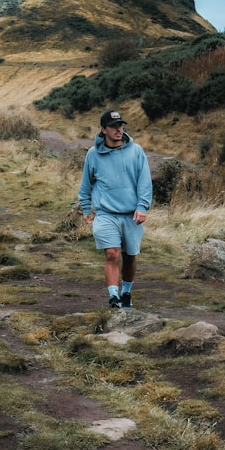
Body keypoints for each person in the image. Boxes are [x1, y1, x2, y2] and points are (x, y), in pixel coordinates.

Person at [78, 108, 153, 309]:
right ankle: (113, 297)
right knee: (112, 254)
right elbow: (86, 184)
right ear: (104, 130)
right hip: (105, 214)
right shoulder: (93, 155)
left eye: (120, 125)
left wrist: (142, 206)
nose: (118, 130)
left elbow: (144, 182)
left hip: (131, 215)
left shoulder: (136, 151)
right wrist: (86, 209)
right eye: (113, 127)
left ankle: (126, 292)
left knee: (130, 256)